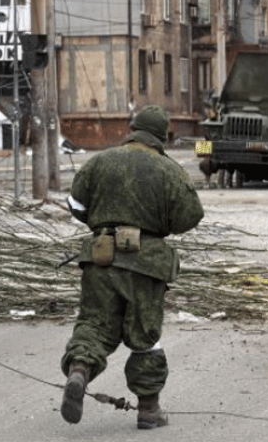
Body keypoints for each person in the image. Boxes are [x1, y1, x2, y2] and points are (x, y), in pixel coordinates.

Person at [60, 105, 204, 430]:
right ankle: (149, 411)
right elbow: (191, 215)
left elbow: (76, 205)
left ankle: (79, 372)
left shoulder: (99, 161)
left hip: (101, 256)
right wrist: (158, 225)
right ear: (163, 135)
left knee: (95, 325)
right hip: (146, 261)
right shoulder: (169, 170)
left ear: (131, 128)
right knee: (144, 334)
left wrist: (103, 223)